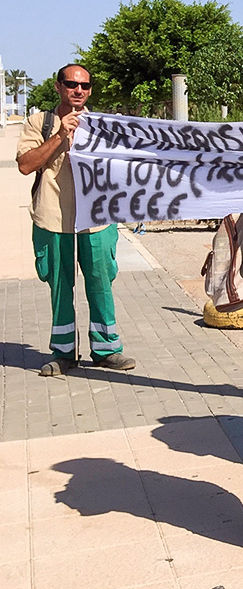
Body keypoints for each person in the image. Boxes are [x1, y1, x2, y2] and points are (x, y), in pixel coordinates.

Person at [16, 64, 136, 376]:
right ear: (58, 87)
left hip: (96, 221)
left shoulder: (103, 125)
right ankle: (63, 352)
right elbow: (26, 165)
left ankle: (107, 349)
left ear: (91, 90)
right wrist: (60, 135)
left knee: (100, 284)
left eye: (84, 85)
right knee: (59, 287)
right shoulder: (38, 123)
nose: (78, 90)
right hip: (53, 219)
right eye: (71, 84)